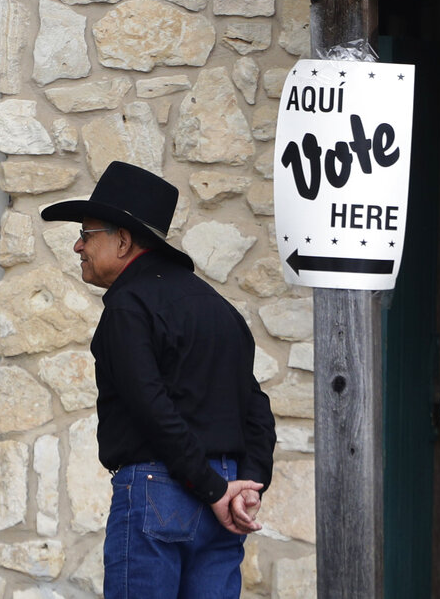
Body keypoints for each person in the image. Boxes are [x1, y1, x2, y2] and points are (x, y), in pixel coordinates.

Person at [41, 161, 276, 599]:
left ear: (123, 240)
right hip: (223, 495)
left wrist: (212, 488)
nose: (77, 245)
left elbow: (150, 408)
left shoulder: (128, 307)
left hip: (161, 489)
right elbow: (256, 408)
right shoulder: (218, 307)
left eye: (87, 234)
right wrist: (245, 485)